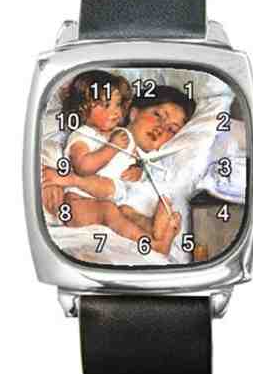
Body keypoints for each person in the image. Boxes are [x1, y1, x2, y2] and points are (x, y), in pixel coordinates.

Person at [42, 84, 196, 255]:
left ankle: (156, 231)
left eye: (171, 130)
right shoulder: (101, 134)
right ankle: (154, 244)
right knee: (109, 210)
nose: (161, 128)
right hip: (79, 203)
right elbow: (61, 154)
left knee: (125, 211)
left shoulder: (152, 169)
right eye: (158, 115)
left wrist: (139, 170)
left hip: (113, 214)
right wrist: (55, 181)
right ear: (134, 113)